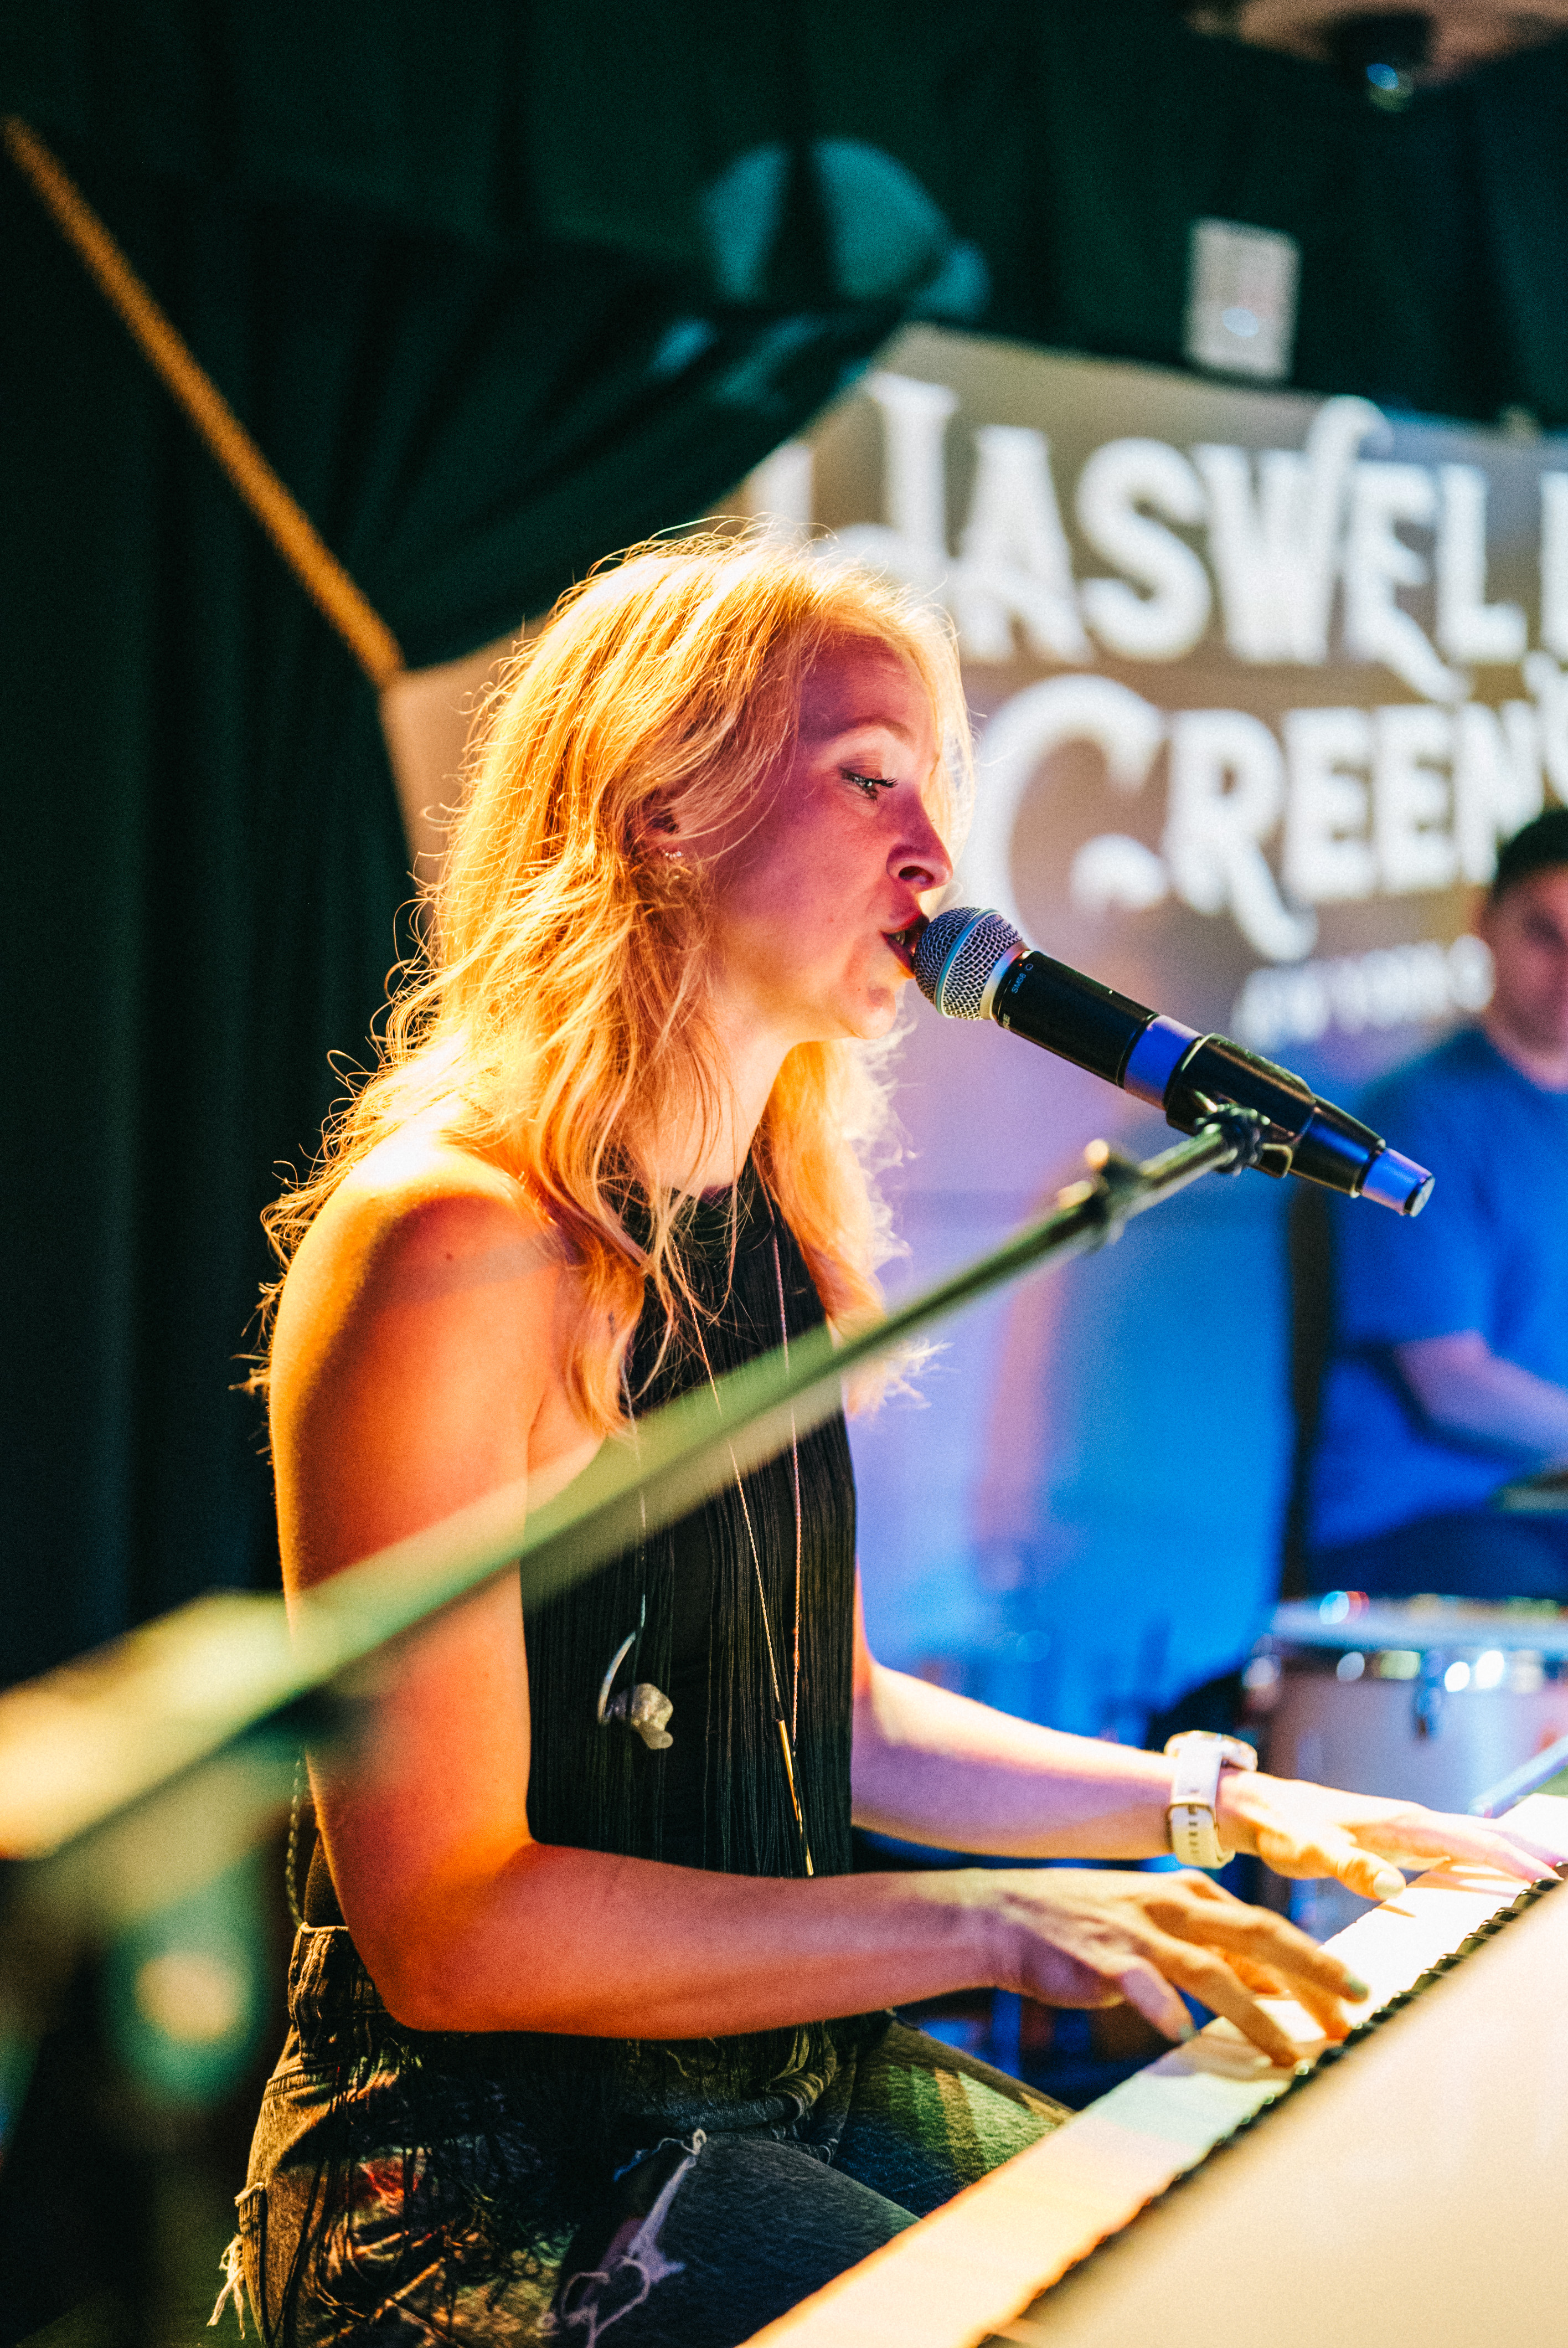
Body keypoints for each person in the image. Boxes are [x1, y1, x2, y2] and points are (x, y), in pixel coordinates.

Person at [230, 536, 1548, 2348]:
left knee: (1234, 2261)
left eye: (943, 791)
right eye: (869, 779)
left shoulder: (765, 1229)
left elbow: (830, 1720)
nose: (936, 857)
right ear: (659, 805)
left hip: (760, 2081)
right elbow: (452, 1929)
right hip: (480, 2171)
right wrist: (993, 1926)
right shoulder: (458, 1243)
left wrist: (1230, 1805)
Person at [1307, 807, 1568, 1600]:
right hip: (1419, 1528)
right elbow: (1450, 1381)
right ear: (1485, 925)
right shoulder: (1419, 1117)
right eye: (1544, 934)